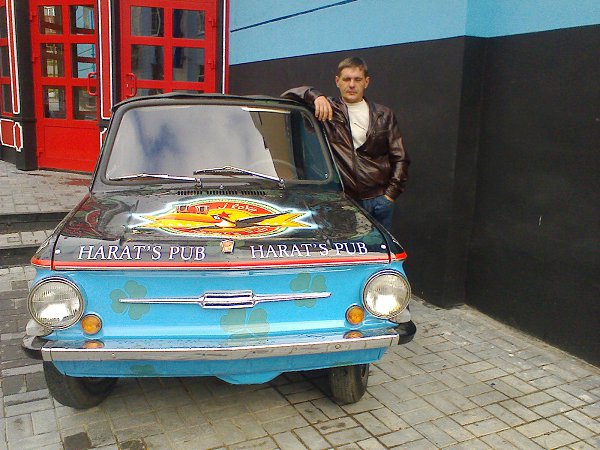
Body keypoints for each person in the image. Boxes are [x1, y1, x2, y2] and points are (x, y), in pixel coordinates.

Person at [282, 57, 409, 231]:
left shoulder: (384, 115)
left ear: (366, 82)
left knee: (378, 248)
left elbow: (400, 158)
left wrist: (389, 197)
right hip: (343, 201)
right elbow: (288, 96)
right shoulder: (328, 111)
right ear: (337, 81)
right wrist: (316, 96)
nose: (352, 85)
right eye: (347, 79)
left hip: (378, 201)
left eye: (357, 79)